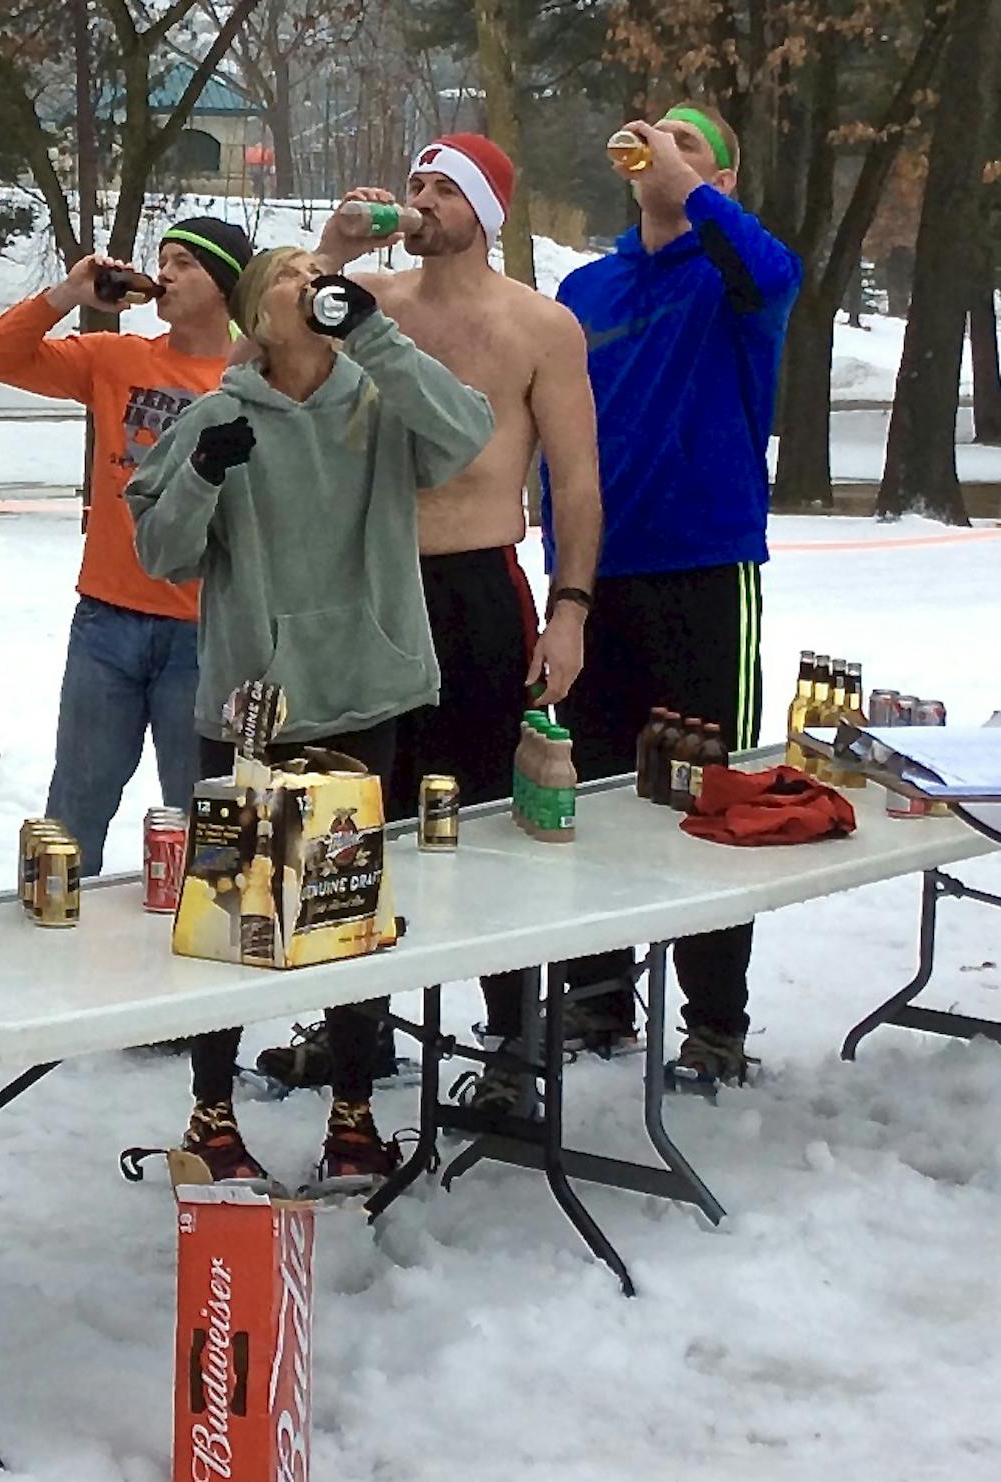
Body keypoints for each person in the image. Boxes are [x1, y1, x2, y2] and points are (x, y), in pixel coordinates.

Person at [126, 247, 493, 1185]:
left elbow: (467, 436)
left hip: (363, 687)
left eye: (320, 271)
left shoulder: (380, 396)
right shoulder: (218, 412)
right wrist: (204, 473)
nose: (314, 280)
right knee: (232, 916)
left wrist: (373, 330)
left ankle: (355, 1110)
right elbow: (161, 552)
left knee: (348, 914)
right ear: (259, 311)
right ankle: (212, 1111)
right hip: (249, 701)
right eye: (293, 274)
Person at [261, 134, 604, 1113]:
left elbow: (575, 481)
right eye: (415, 185)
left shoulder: (540, 326)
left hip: (477, 589)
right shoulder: (370, 302)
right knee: (347, 814)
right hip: (366, 585)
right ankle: (349, 1028)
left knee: (485, 820)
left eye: (442, 188)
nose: (419, 202)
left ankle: (512, 1041)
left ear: (486, 212)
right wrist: (329, 246)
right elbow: (273, 349)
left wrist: (570, 610)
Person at [547, 105, 800, 1088]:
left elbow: (777, 275)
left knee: (703, 793)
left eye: (698, 149)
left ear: (725, 183)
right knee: (597, 787)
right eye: (661, 143)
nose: (668, 154)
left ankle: (717, 1021)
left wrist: (685, 193)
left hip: (705, 566)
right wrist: (560, 564)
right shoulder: (587, 286)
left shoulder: (734, 275)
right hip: (597, 575)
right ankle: (600, 993)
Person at [0, 216, 253, 873]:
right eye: (164, 259)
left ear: (226, 285)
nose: (167, 274)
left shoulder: (251, 381)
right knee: (73, 812)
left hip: (204, 628)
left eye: (186, 262)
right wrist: (69, 297)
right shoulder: (119, 359)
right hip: (106, 619)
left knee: (202, 823)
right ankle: (55, 946)